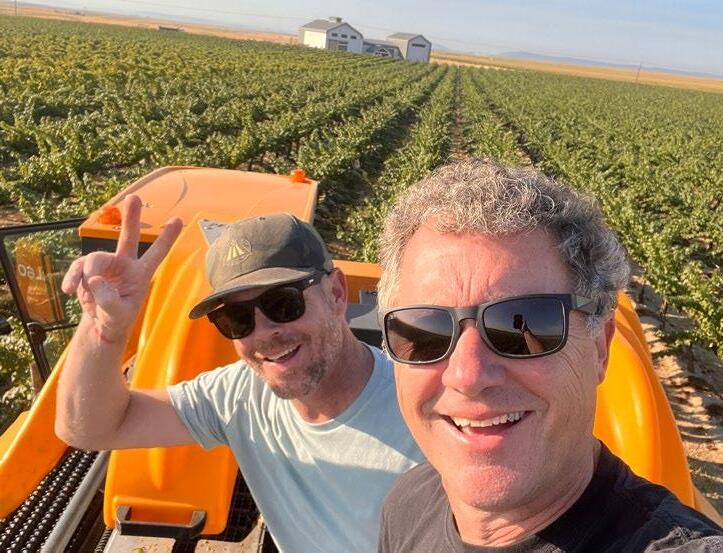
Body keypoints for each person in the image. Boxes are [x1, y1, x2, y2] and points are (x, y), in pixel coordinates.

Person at [375, 159, 722, 552]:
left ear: (600, 347)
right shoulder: (407, 505)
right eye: (427, 333)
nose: (467, 375)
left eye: (522, 327)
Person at [55, 195, 423, 552]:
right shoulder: (240, 395)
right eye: (237, 318)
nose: (263, 333)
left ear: (337, 293)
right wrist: (104, 329)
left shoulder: (420, 413)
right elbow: (88, 429)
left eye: (283, 303)